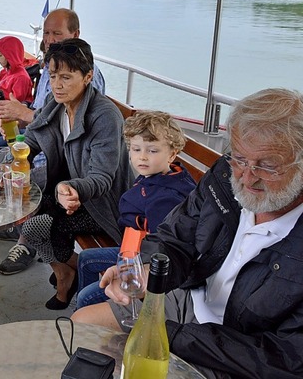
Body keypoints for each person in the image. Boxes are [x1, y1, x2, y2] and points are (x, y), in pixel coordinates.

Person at [72, 88, 303, 379]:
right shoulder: (224, 176)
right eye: (240, 159)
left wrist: (171, 335)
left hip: (238, 354)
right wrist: (148, 274)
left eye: (267, 166)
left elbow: (287, 359)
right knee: (83, 324)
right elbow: (176, 237)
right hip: (189, 303)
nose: (247, 177)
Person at [19, 38, 133, 310]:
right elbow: (33, 136)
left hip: (101, 204)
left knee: (43, 226)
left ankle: (67, 275)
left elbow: (103, 179)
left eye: (66, 77)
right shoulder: (55, 102)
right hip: (67, 190)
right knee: (25, 210)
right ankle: (67, 269)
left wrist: (69, 188)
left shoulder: (104, 115)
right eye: (53, 75)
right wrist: (19, 150)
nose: (57, 84)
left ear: (88, 76)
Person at [76, 110, 196, 308]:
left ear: (172, 154)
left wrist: (134, 272)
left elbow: (162, 249)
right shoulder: (160, 176)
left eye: (152, 150)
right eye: (136, 149)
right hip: (130, 249)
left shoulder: (167, 198)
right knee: (86, 258)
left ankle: (93, 314)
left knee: (86, 297)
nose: (143, 157)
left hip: (143, 261)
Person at [0, 8, 106, 165]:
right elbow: (41, 112)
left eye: (57, 33)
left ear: (75, 35)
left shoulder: (85, 75)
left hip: (55, 155)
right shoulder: (51, 65)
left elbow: (72, 129)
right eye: (46, 33)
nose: (49, 40)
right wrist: (17, 119)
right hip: (34, 132)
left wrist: (25, 115)